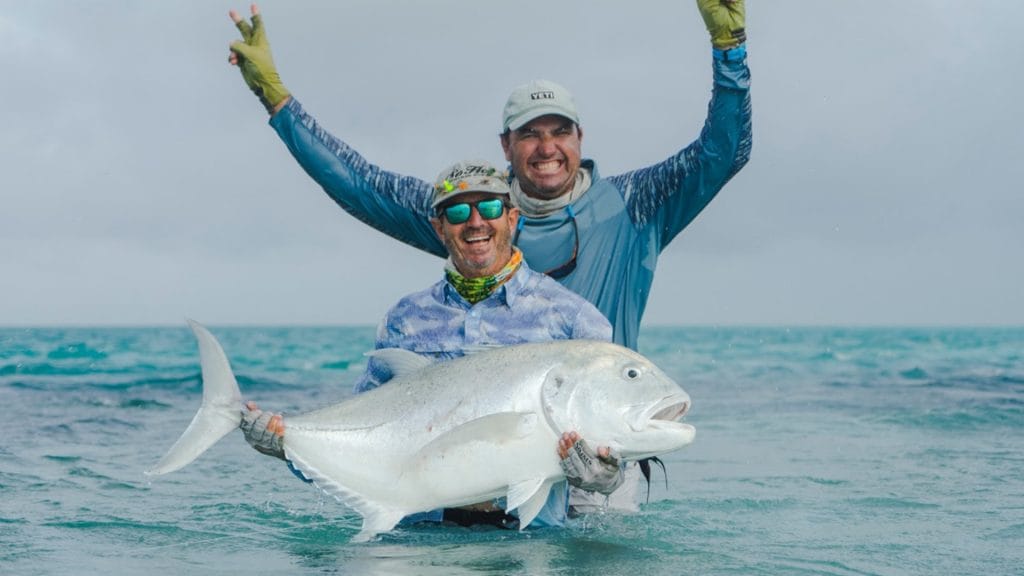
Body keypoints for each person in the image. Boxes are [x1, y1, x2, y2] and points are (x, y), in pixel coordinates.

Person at [228, 0, 750, 511]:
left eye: (559, 131)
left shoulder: (636, 206)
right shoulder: (473, 211)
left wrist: (730, 50)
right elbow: (358, 184)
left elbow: (722, 153)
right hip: (472, 467)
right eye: (530, 134)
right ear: (506, 146)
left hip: (598, 463)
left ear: (580, 136)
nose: (546, 147)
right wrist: (277, 101)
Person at [242, 160, 624, 530]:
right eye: (457, 213)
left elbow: (612, 462)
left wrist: (601, 475)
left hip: (530, 543)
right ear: (439, 228)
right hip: (424, 542)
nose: (475, 222)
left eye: (489, 207)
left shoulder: (573, 319)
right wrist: (286, 444)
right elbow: (362, 436)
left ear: (512, 217)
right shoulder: (404, 319)